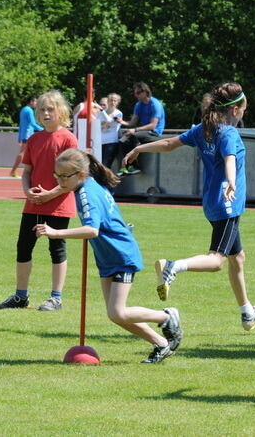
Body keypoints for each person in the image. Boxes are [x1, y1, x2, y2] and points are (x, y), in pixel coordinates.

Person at [123, 82, 255, 331]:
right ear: (236, 110)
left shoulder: (204, 129)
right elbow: (229, 159)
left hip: (213, 202)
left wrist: (140, 146)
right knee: (217, 261)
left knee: (238, 258)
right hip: (227, 203)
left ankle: (247, 312)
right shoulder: (228, 133)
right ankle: (173, 266)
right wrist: (231, 183)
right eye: (244, 110)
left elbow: (169, 143)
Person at [35, 148, 183, 363]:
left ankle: (167, 317)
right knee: (115, 314)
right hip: (107, 257)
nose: (59, 181)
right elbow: (70, 190)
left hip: (120, 255)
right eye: (56, 175)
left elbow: (92, 230)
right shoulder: (88, 184)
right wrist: (52, 192)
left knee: (117, 313)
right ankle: (161, 344)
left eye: (64, 176)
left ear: (81, 175)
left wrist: (55, 233)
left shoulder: (87, 195)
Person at [0, 90, 78, 312]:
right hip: (33, 204)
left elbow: (73, 177)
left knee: (57, 248)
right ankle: (21, 296)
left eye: (50, 109)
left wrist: (50, 194)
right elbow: (26, 172)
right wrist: (27, 191)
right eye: (42, 109)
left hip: (58, 205)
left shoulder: (68, 139)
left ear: (61, 112)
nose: (46, 113)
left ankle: (56, 298)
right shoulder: (34, 139)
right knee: (23, 247)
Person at [116, 82, 166, 176]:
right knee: (122, 140)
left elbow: (152, 125)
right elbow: (133, 122)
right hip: (143, 132)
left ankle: (135, 167)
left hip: (154, 133)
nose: (136, 95)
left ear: (145, 92)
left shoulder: (155, 104)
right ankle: (126, 167)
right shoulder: (139, 105)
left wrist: (134, 130)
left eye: (138, 93)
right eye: (135, 93)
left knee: (133, 136)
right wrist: (122, 122)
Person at [10, 96, 43, 178]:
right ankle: (13, 171)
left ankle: (30, 171)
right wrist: (43, 129)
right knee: (23, 153)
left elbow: (21, 124)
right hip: (28, 135)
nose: (36, 104)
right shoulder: (29, 110)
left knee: (30, 153)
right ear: (31, 102)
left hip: (25, 134)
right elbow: (33, 123)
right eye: (35, 102)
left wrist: (19, 136)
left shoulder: (24, 109)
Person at [100, 93, 123, 170]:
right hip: (101, 142)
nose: (112, 102)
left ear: (117, 102)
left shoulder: (118, 113)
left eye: (115, 101)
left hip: (111, 142)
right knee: (100, 165)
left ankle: (107, 181)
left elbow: (108, 120)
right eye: (111, 100)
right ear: (108, 101)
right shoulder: (103, 112)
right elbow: (97, 123)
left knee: (105, 165)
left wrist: (102, 111)